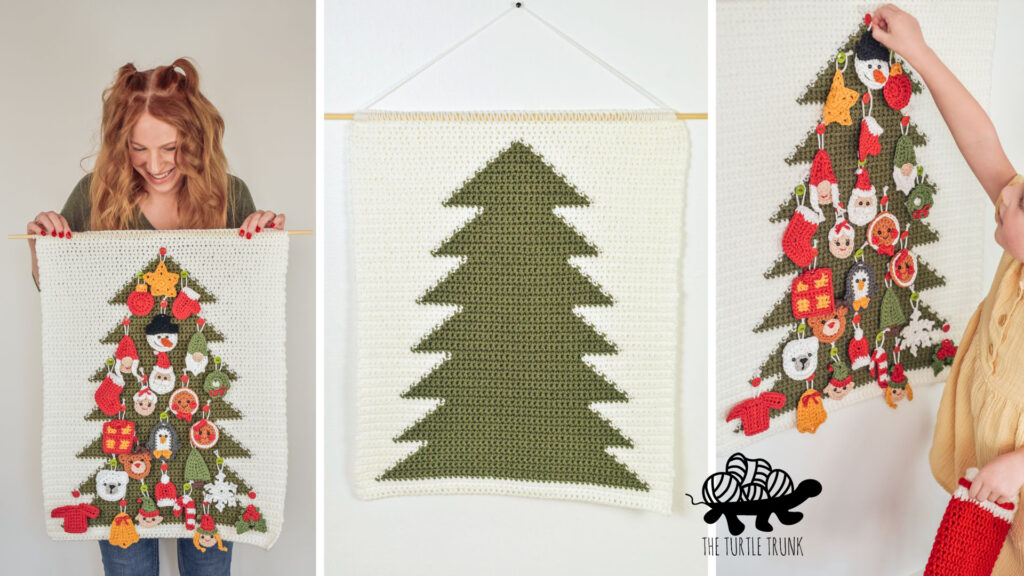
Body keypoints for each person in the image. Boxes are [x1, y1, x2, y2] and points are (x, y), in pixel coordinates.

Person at [26, 58, 284, 575]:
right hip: (122, 420)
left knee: (209, 566)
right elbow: (62, 295)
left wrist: (261, 244)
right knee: (127, 565)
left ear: (197, 138)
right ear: (120, 144)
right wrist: (44, 250)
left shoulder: (230, 196)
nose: (156, 164)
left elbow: (244, 313)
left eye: (171, 148)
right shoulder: (95, 198)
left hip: (202, 415)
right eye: (139, 149)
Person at [872, 4, 1024, 573]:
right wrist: (917, 51)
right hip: (995, 509)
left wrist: (1020, 466)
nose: (1005, 194)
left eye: (1017, 202)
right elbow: (982, 144)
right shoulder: (1019, 262)